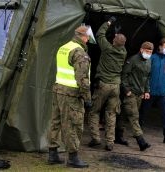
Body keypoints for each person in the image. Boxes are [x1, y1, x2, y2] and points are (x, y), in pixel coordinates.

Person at [47, 25, 95, 168]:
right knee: (73, 125)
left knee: (55, 122)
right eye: (88, 37)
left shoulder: (64, 47)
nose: (88, 40)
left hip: (58, 90)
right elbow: (82, 79)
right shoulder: (79, 53)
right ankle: (73, 157)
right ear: (84, 37)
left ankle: (53, 154)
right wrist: (87, 98)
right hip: (72, 94)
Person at [88, 17, 127, 151]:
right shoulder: (124, 52)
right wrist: (117, 36)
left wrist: (108, 22)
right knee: (111, 114)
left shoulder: (107, 48)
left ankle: (95, 138)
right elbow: (121, 42)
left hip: (103, 84)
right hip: (115, 87)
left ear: (113, 41)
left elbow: (100, 34)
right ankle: (110, 142)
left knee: (94, 111)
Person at [115, 41, 153, 151]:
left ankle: (118, 136)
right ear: (141, 50)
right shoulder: (132, 60)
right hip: (131, 93)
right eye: (147, 51)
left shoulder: (149, 61)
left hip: (139, 94)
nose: (148, 53)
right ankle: (141, 141)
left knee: (124, 114)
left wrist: (147, 91)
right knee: (134, 116)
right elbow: (124, 75)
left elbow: (147, 78)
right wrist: (127, 90)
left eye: (150, 52)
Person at [139, 38, 165, 144]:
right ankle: (138, 133)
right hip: (150, 91)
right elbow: (145, 74)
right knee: (143, 112)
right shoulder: (152, 58)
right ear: (160, 47)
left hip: (163, 92)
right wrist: (145, 90)